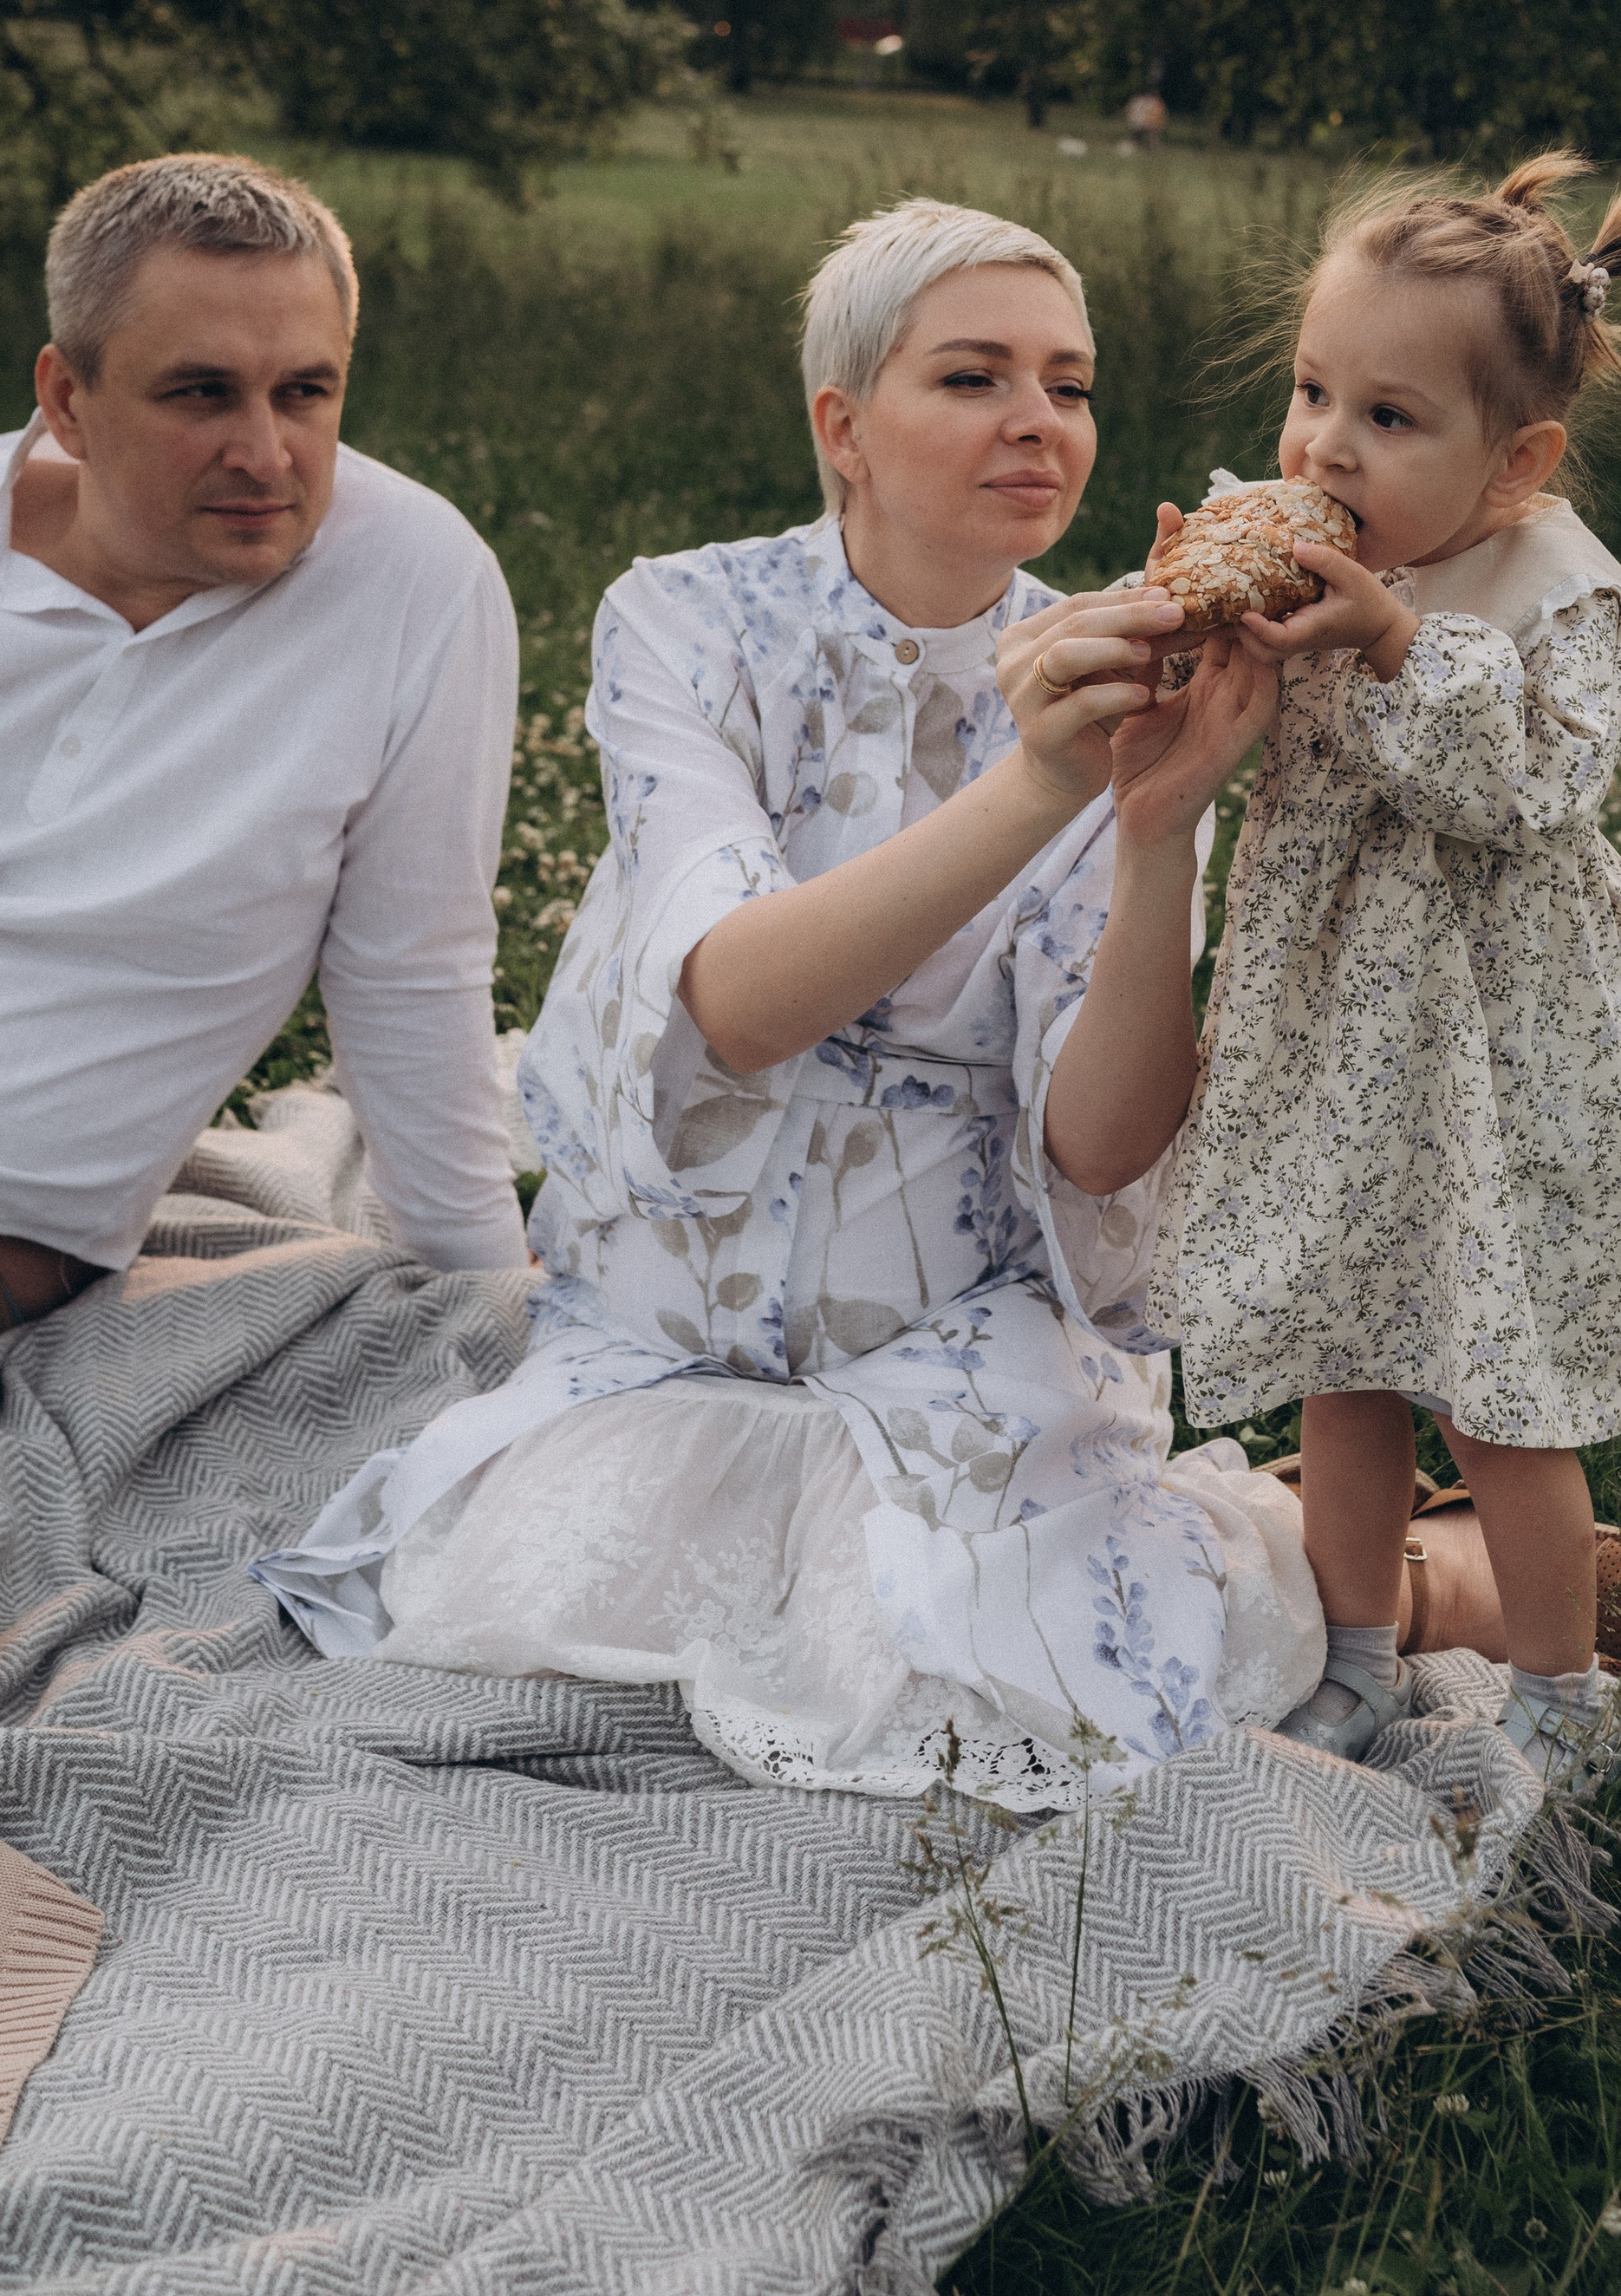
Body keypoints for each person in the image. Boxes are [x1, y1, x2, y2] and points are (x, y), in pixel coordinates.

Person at [262, 197, 1411, 1806]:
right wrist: (1033, 786)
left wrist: (1152, 834)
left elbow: (1096, 1150)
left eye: (1069, 387)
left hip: (951, 1327)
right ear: (844, 425)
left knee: (1018, 1695)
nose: (1037, 422)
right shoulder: (684, 622)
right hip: (680, 1334)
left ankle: (1441, 1576)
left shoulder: (1125, 671)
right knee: (521, 1614)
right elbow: (735, 1004)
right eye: (973, 378)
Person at [1149, 155, 1621, 1778]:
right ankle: (1359, 1653)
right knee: (1342, 1355)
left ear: (1516, 462)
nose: (1323, 446)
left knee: (1492, 1387)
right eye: (1313, 393)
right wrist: (1192, 626)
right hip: (1335, 1031)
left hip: (1500, 1054)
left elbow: (1532, 790)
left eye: (1389, 418)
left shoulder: (1558, 599)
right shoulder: (1304, 549)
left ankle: (1553, 1688)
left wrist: (1391, 638)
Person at [0, 155, 529, 1326]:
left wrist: (491, 1297)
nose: (265, 454)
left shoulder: (414, 583)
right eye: (200, 394)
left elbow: (411, 973)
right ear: (68, 399)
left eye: (305, 393)